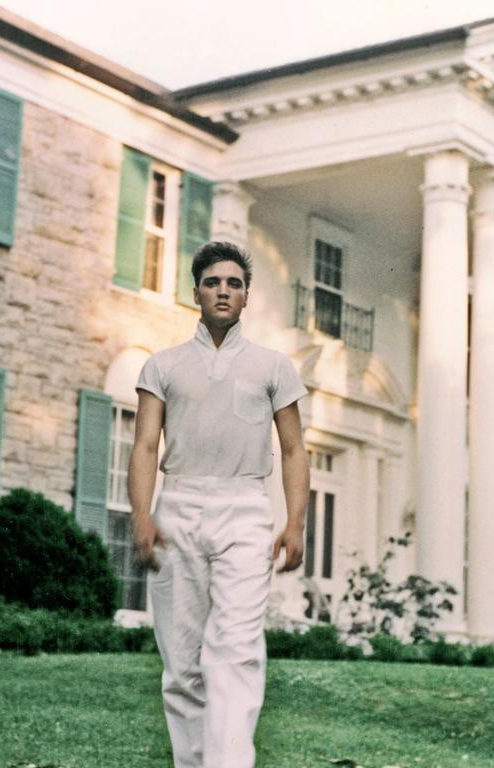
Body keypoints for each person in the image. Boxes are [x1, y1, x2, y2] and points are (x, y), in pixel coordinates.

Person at [128, 241, 310, 768]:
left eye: (233, 283)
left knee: (234, 651)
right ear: (196, 293)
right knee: (183, 663)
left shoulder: (273, 367)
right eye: (212, 282)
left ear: (247, 295)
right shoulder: (161, 366)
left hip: (245, 509)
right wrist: (142, 515)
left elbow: (295, 449)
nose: (223, 291)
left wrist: (294, 522)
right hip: (178, 505)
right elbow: (143, 446)